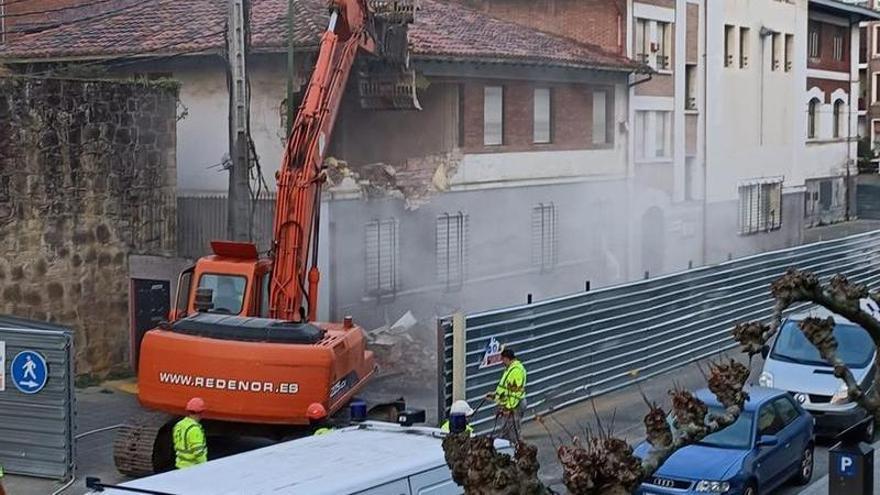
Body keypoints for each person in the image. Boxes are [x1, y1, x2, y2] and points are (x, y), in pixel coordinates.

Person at [486, 348, 527, 443]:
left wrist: (509, 408)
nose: (502, 362)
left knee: (512, 433)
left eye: (502, 359)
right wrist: (494, 395)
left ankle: (515, 452)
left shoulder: (516, 371)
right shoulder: (509, 369)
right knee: (505, 431)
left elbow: (515, 393)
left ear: (506, 359)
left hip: (515, 406)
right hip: (510, 405)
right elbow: (505, 389)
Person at [173, 397, 208, 469]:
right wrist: (206, 467)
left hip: (180, 465)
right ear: (201, 412)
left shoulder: (179, 425)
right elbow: (198, 452)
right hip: (192, 467)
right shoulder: (194, 429)